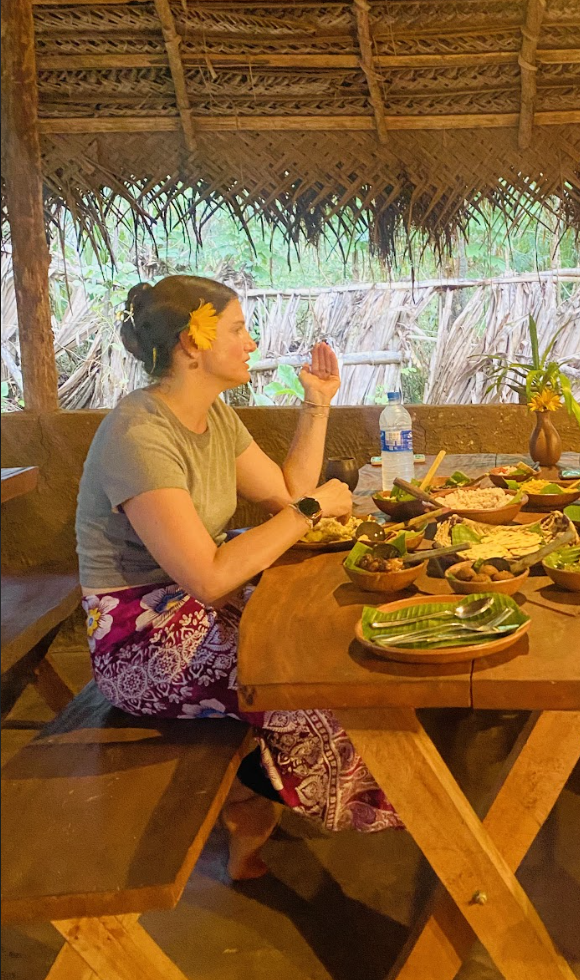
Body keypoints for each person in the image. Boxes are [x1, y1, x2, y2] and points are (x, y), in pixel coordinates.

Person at [75, 275, 401, 882]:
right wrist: (309, 512)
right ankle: (258, 788)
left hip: (200, 608)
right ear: (190, 346)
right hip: (140, 643)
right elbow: (208, 576)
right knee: (303, 676)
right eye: (237, 329)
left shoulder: (214, 417)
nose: (250, 342)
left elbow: (286, 494)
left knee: (334, 632)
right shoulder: (138, 435)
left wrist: (318, 402)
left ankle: (260, 793)